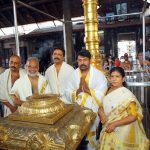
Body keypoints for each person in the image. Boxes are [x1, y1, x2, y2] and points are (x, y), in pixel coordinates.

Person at [98, 67, 149, 150]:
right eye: (112, 76)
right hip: (107, 127)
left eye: (117, 76)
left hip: (121, 131)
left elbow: (133, 116)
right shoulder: (108, 89)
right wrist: (101, 113)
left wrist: (114, 124)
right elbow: (101, 106)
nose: (114, 79)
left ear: (123, 79)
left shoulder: (127, 95)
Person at [65, 50, 108, 150]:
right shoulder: (73, 75)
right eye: (80, 60)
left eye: (85, 60)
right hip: (77, 113)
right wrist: (78, 91)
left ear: (90, 61)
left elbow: (103, 93)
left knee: (92, 135)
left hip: (93, 112)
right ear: (77, 61)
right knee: (78, 136)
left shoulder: (99, 75)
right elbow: (67, 92)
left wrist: (88, 90)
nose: (82, 62)